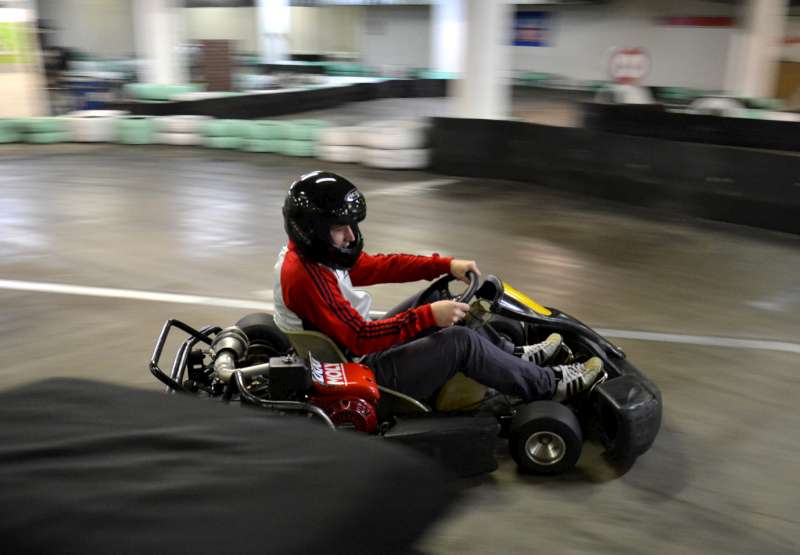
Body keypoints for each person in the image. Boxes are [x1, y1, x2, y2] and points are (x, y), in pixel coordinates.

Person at [273, 171, 604, 404]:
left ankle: (513, 358)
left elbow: (382, 266)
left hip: (354, 351)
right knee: (460, 342)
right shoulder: (305, 275)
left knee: (439, 294)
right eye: (340, 228)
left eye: (351, 226)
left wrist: (444, 265)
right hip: (357, 371)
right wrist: (429, 317)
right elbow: (360, 336)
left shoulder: (314, 257)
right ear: (311, 230)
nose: (350, 236)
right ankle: (550, 385)